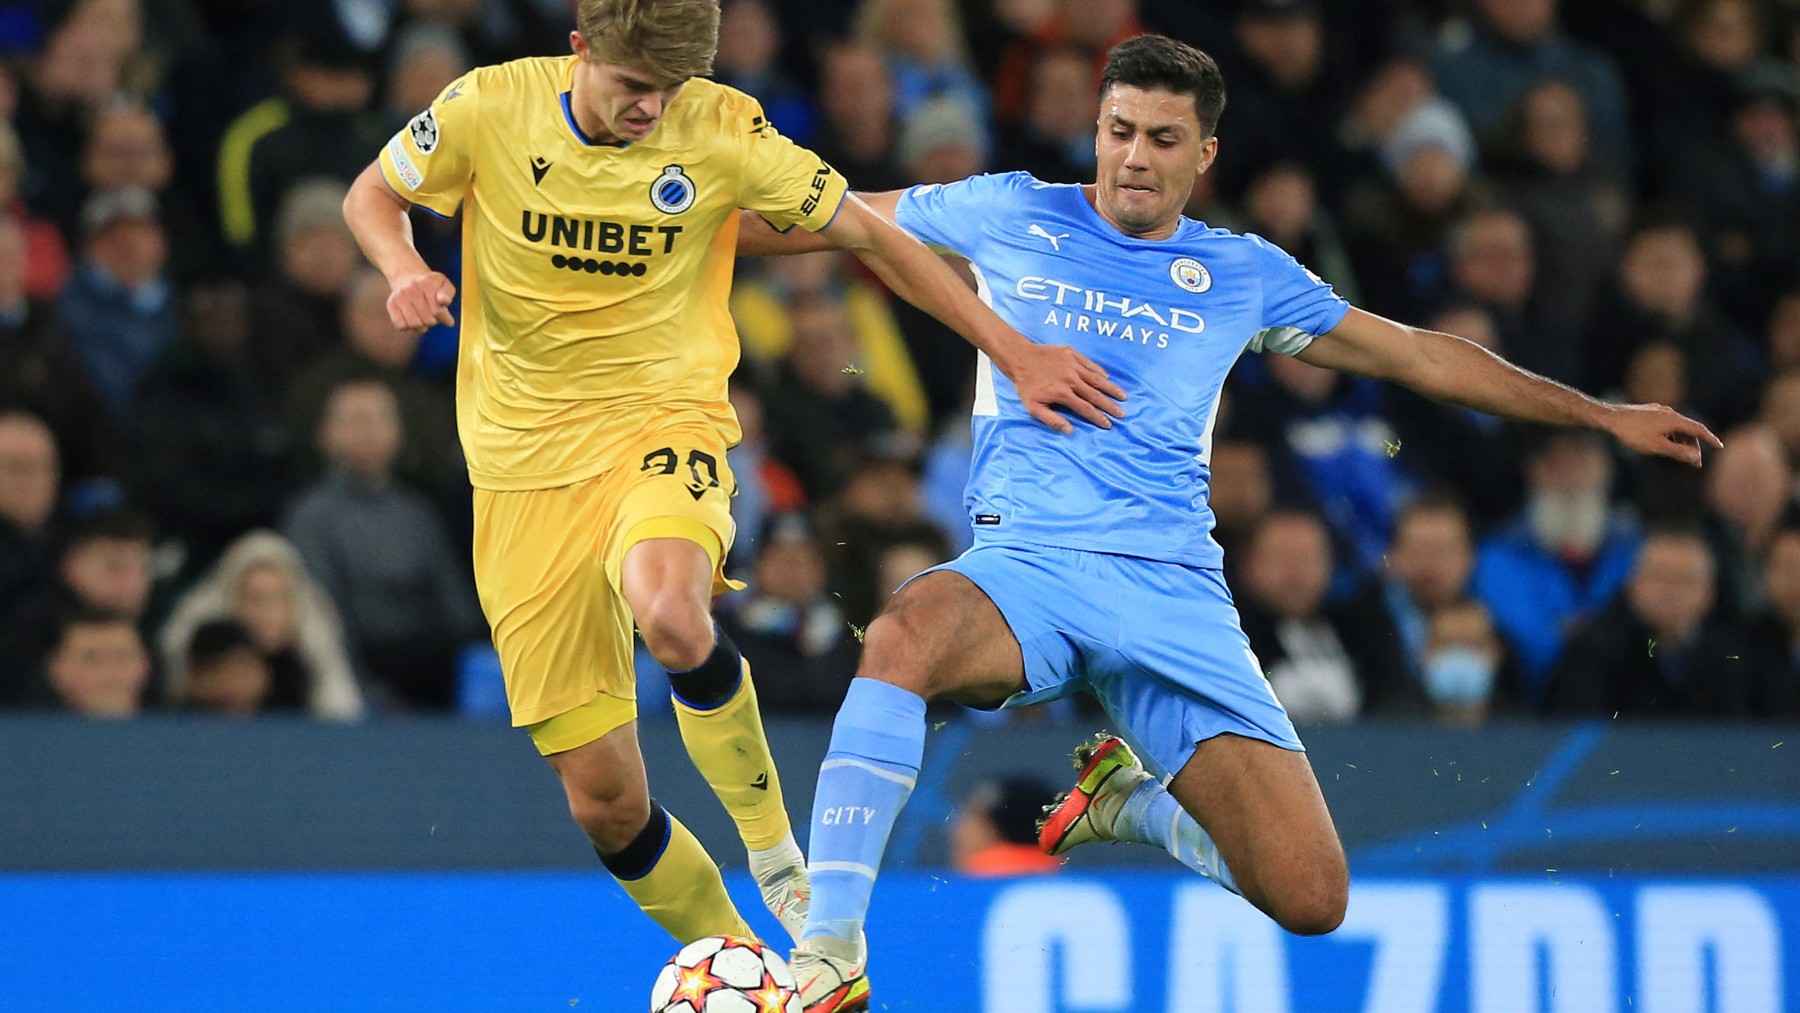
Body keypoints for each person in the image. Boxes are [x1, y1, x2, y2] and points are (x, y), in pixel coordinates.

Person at [737, 34, 1721, 1010]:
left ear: (1204, 155)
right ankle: (830, 944)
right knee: (905, 630)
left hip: (1173, 594)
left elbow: (1420, 356)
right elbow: (832, 219)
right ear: (1095, 127)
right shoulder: (1008, 209)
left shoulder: (1243, 273)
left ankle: (1138, 807)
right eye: (1119, 130)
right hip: (1027, 568)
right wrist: (666, 234)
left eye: (1164, 139)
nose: (1134, 156)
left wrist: (1600, 413)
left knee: (1312, 895)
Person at [340, 0, 1119, 956]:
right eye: (632, 87)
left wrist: (1013, 350)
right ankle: (744, 963)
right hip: (519, 475)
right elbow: (370, 195)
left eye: (666, 91)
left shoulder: (721, 126)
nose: (650, 109)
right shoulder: (486, 108)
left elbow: (873, 236)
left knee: (671, 612)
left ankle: (778, 857)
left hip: (659, 423)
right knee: (606, 804)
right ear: (579, 50)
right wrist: (398, 266)